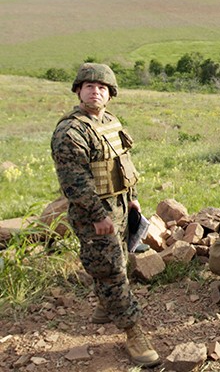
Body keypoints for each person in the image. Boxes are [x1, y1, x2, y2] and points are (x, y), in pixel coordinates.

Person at [51, 63, 161, 368]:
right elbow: (74, 182)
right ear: (78, 91)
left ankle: (105, 307)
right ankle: (133, 331)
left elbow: (122, 164)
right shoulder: (70, 131)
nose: (95, 91)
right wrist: (99, 216)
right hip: (95, 213)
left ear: (110, 94)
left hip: (121, 205)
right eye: (88, 86)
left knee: (119, 261)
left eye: (101, 87)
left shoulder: (111, 122)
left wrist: (133, 199)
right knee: (112, 269)